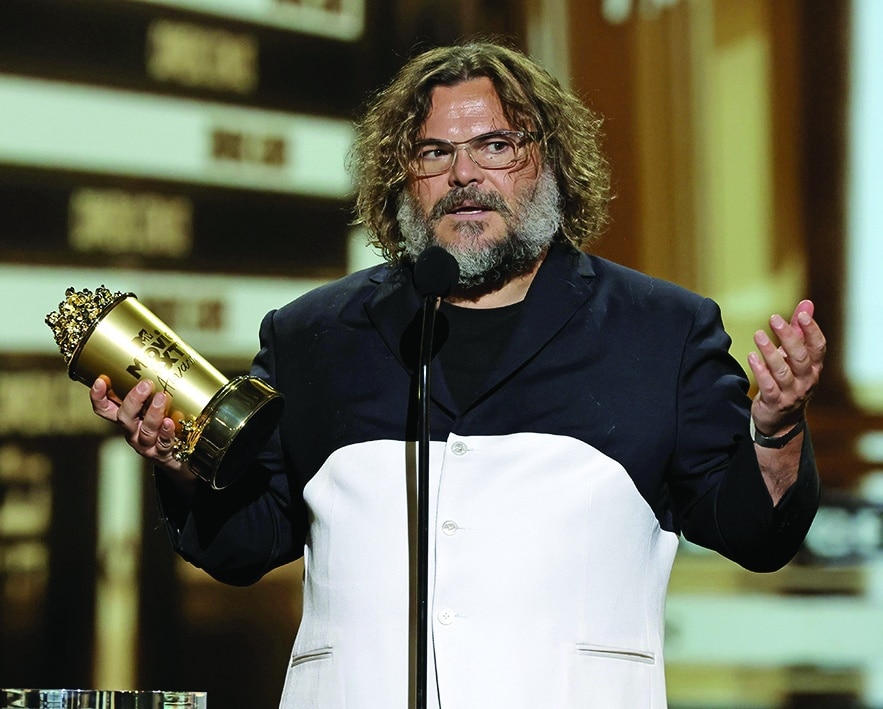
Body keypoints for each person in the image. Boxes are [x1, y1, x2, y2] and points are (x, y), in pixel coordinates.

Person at [90, 41, 824, 708]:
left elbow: (752, 533)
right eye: (433, 152)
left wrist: (777, 424)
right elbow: (244, 544)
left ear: (553, 161)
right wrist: (184, 466)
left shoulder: (660, 330)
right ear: (400, 179)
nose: (462, 175)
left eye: (493, 145)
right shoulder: (313, 333)